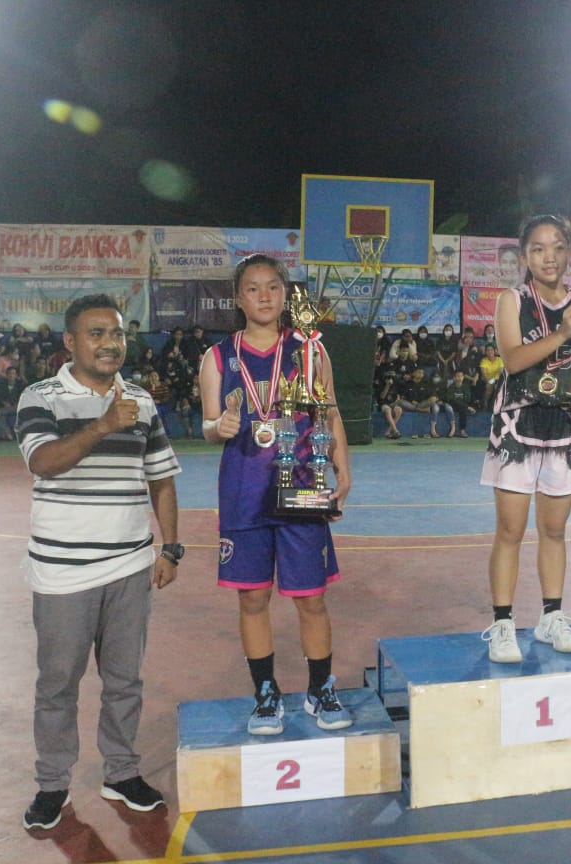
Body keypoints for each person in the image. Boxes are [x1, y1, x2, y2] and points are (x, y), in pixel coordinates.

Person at [15, 293, 181, 831]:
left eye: (118, 333)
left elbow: (161, 477)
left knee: (125, 680)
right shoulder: (40, 397)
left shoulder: (141, 401)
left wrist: (171, 546)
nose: (111, 343)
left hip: (129, 565)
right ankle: (52, 784)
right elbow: (44, 462)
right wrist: (103, 425)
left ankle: (121, 772)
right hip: (62, 571)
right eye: (97, 333)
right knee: (58, 684)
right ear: (70, 341)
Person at [199, 253, 354, 735]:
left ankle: (320, 689)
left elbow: (329, 412)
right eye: (252, 288)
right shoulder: (217, 357)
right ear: (238, 298)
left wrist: (343, 470)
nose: (263, 296)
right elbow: (207, 424)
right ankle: (265, 694)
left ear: (286, 295)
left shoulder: (310, 349)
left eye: (272, 286)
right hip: (244, 490)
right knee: (252, 599)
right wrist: (219, 427)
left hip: (302, 487)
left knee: (311, 598)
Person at [480, 214, 571, 663]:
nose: (550, 257)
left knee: (555, 530)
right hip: (516, 427)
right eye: (539, 249)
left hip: (561, 426)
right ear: (525, 255)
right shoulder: (512, 300)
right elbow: (513, 360)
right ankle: (503, 623)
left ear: (569, 253)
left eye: (558, 248)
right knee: (510, 531)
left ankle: (551, 617)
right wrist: (564, 331)